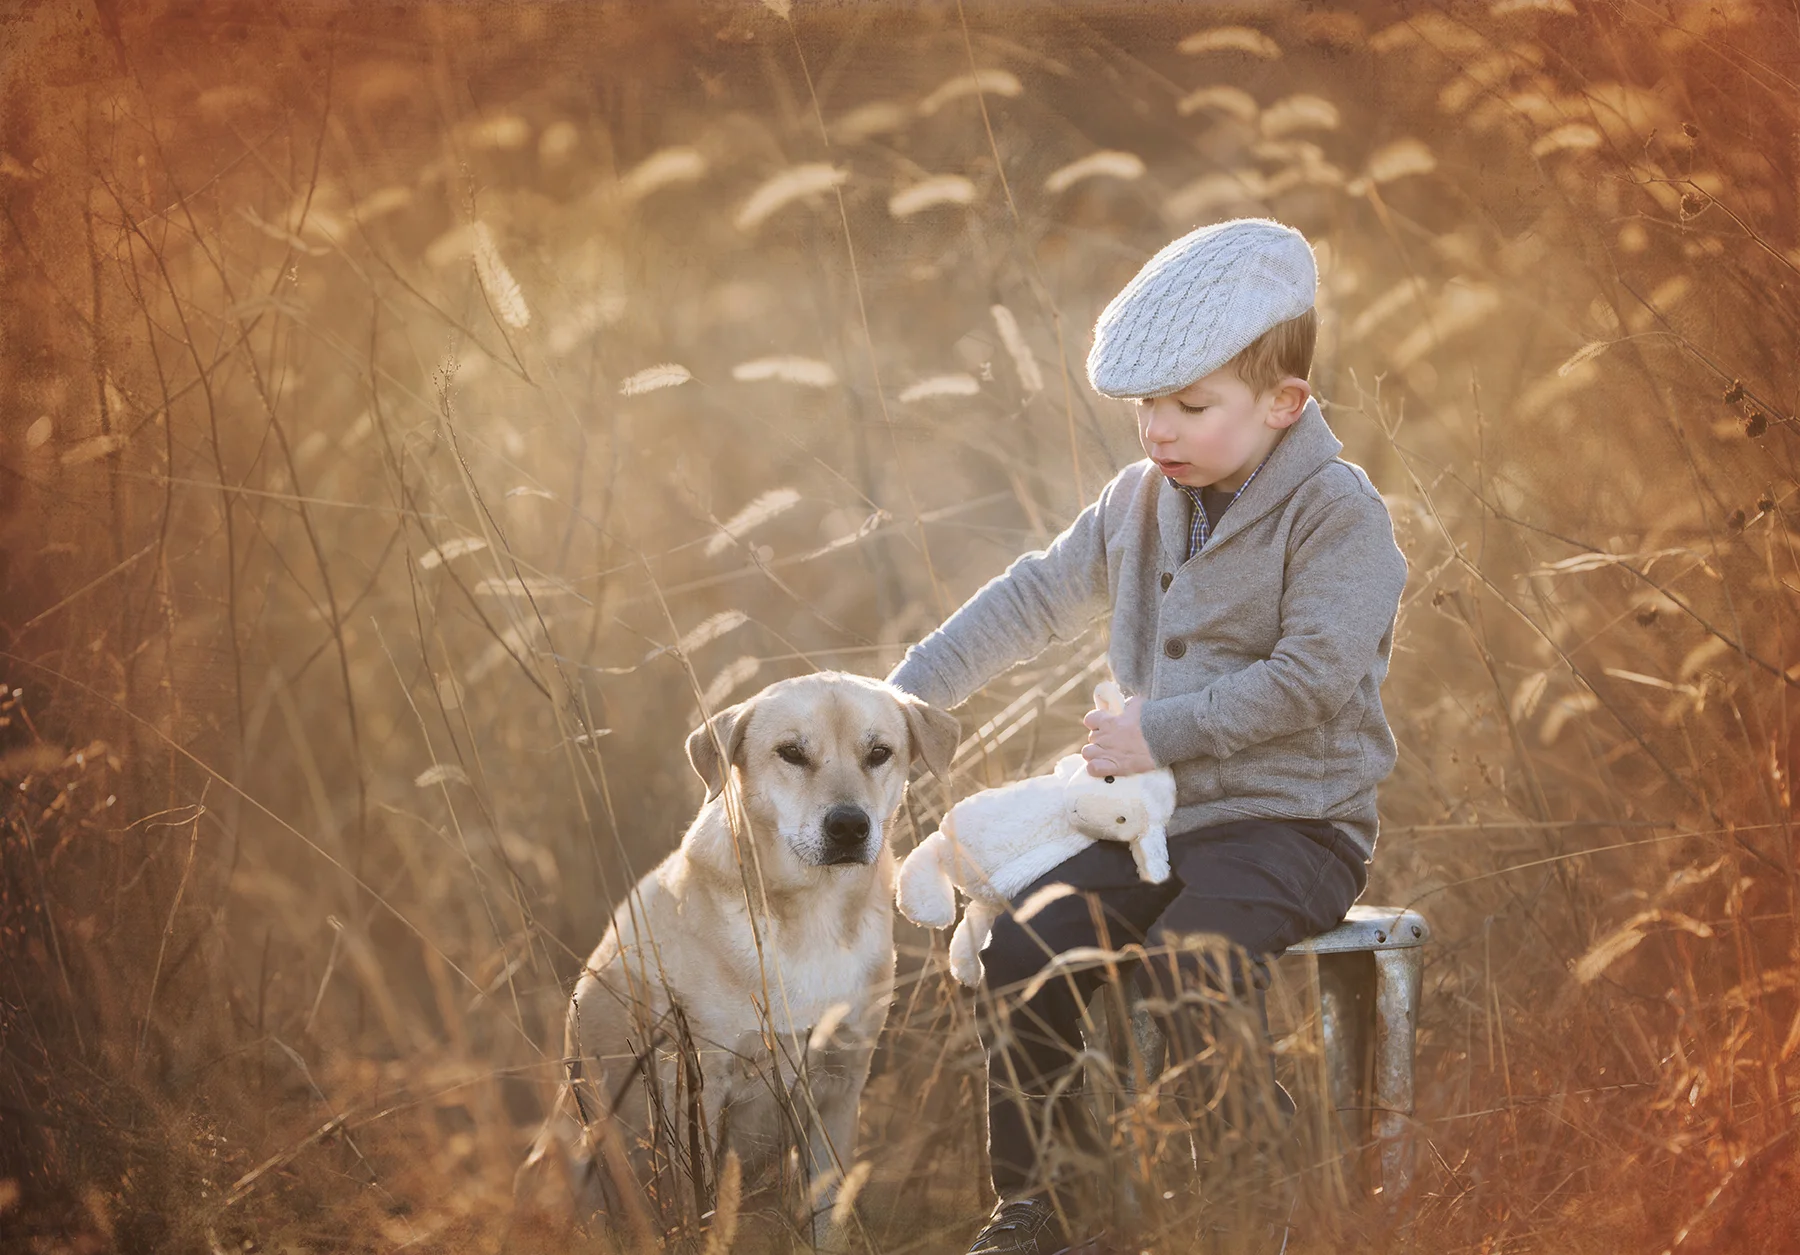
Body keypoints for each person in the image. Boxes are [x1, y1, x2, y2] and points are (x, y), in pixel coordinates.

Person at [885, 217, 1410, 1255]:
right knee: (1023, 942)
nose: (1158, 431)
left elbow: (1311, 680)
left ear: (1283, 402)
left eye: (1190, 406)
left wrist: (1156, 731)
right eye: (1144, 408)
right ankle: (1045, 1203)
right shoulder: (1139, 501)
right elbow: (1033, 598)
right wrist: (898, 704)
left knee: (1185, 964)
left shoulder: (1337, 515)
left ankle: (1250, 1201)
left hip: (1291, 826)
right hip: (1153, 823)